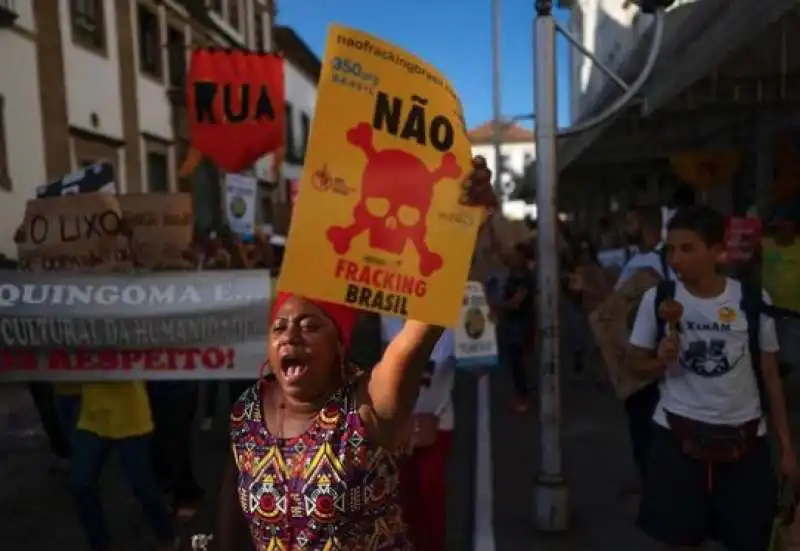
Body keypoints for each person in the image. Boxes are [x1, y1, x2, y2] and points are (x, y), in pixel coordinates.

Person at [216, 157, 496, 550]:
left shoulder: (365, 408)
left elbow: (423, 325)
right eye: (279, 326)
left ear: (339, 347)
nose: (289, 337)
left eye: (311, 326)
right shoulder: (251, 412)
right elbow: (233, 499)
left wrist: (463, 227)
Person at [626, 205, 796, 551]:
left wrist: (788, 450)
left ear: (717, 252)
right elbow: (633, 365)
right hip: (677, 437)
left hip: (745, 441)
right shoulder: (658, 299)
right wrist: (659, 360)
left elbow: (770, 375)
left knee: (750, 540)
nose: (675, 258)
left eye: (688, 248)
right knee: (681, 541)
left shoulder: (750, 300)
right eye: (670, 249)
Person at [69, 382, 175, 551]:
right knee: (80, 483)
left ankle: (166, 536)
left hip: (131, 416)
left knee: (142, 485)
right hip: (93, 416)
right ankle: (100, 545)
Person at [381, 316, 455, 551]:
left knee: (429, 490)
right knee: (402, 492)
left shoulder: (449, 307)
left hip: (437, 417)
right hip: (398, 419)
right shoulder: (389, 312)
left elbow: (476, 364)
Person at [493, 243, 535, 413]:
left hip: (520, 324)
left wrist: (494, 304)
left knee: (517, 361)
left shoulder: (526, 279)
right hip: (512, 324)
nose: (513, 258)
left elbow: (515, 303)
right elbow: (500, 253)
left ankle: (524, 397)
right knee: (513, 360)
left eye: (517, 256)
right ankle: (521, 394)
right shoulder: (514, 272)